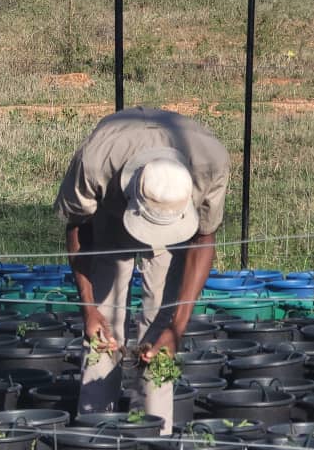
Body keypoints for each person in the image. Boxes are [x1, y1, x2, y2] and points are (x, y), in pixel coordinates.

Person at [53, 106, 230, 433]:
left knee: (159, 319)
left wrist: (177, 327)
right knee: (104, 325)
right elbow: (78, 227)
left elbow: (204, 238)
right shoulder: (96, 163)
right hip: (110, 208)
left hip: (178, 209)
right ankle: (95, 430)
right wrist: (88, 309)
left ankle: (153, 432)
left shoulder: (209, 163)